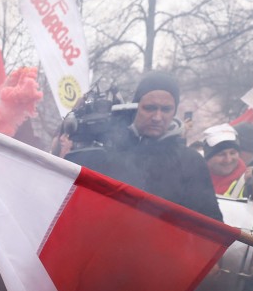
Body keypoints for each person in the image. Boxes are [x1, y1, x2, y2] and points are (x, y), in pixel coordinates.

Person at [73, 70, 222, 221]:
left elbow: (210, 224)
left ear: (174, 112)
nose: (157, 117)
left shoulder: (191, 162)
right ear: (135, 107)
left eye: (166, 109)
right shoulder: (109, 152)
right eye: (149, 108)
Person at [200, 123, 253, 274]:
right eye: (221, 154)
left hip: (233, 273)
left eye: (233, 153)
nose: (228, 159)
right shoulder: (193, 180)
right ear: (208, 156)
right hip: (194, 263)